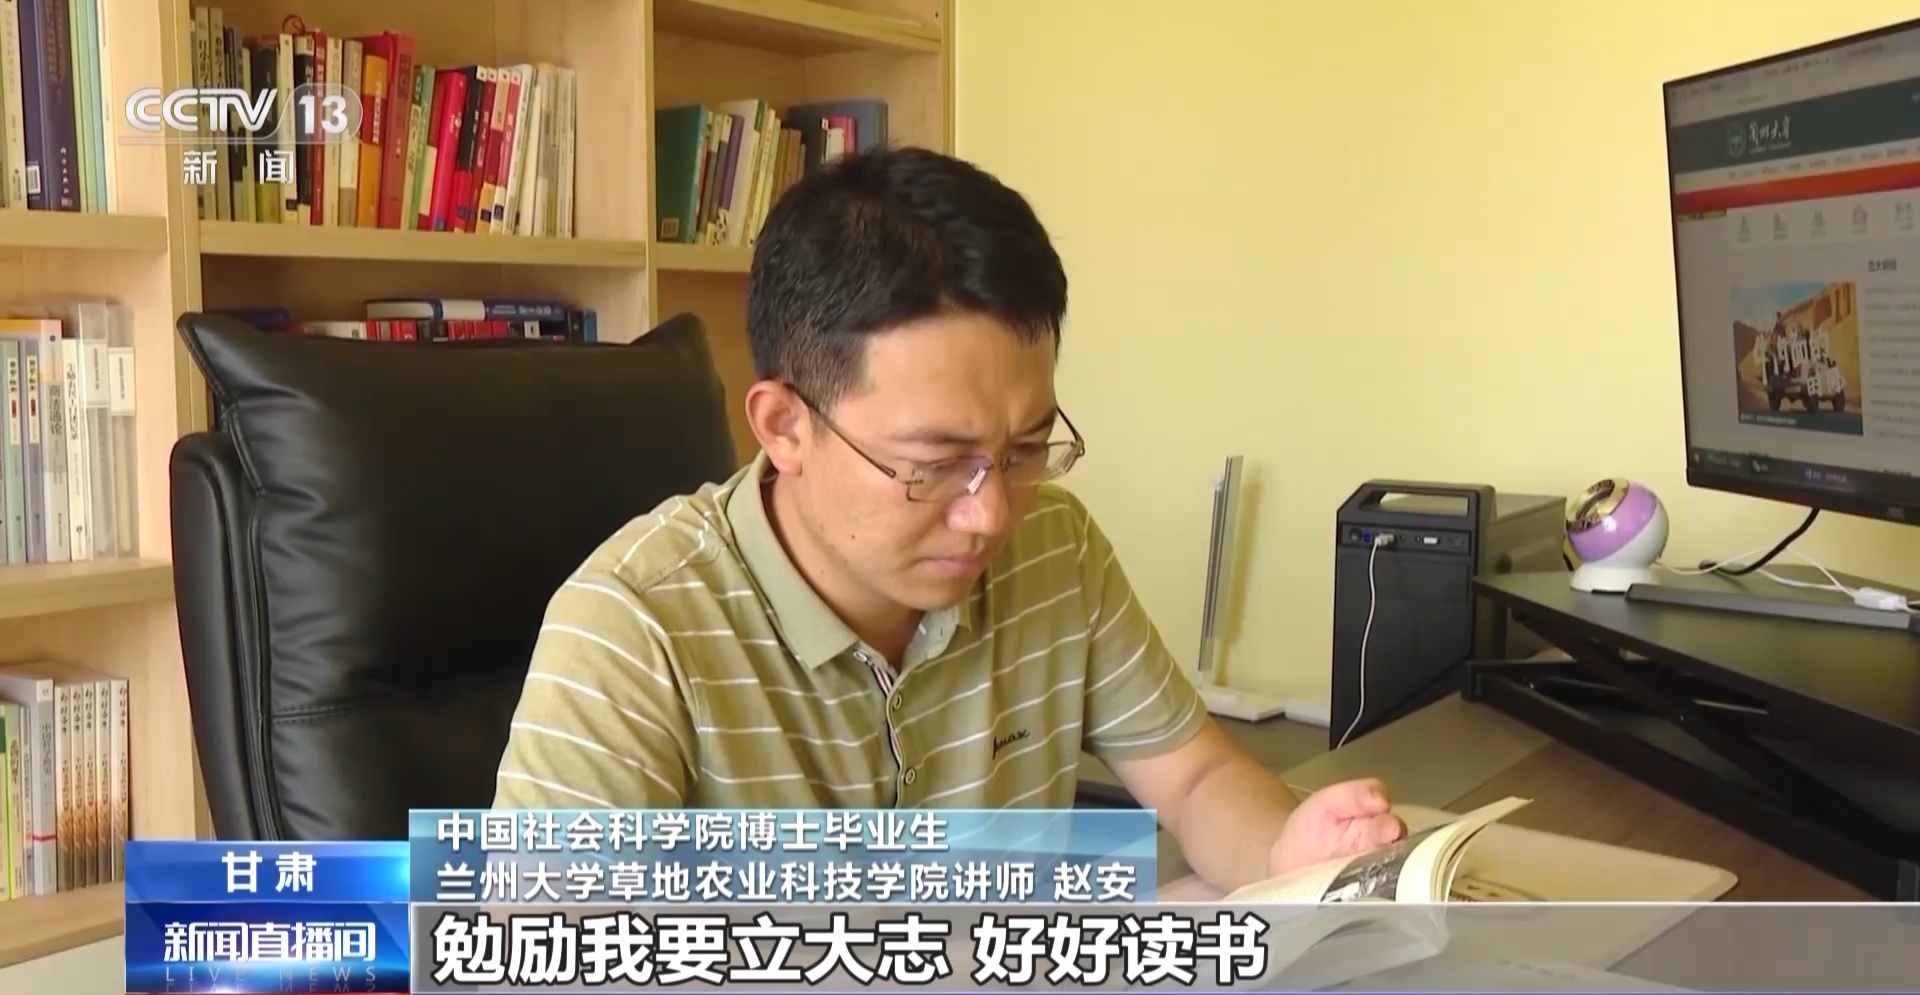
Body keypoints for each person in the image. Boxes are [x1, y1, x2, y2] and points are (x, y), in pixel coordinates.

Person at [491, 146, 1405, 894]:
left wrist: (1286, 853)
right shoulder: (634, 629)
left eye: (1025, 449)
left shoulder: (1056, 551)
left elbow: (1197, 778)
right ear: (785, 427)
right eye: (932, 464)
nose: (989, 514)